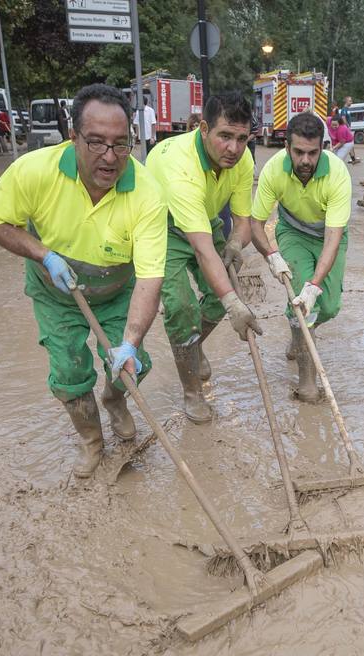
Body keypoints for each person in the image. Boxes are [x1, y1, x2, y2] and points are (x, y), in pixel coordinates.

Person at [0, 84, 166, 477]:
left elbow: (150, 280)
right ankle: (92, 441)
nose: (110, 158)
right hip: (56, 293)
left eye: (120, 144)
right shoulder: (34, 171)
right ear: (73, 137)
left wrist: (128, 344)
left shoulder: (146, 192)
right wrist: (43, 254)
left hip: (117, 290)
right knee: (69, 370)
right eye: (96, 143)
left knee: (135, 366)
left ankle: (115, 401)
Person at [144, 91, 260, 423]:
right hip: (161, 225)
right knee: (182, 307)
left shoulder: (243, 160)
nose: (233, 149)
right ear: (205, 129)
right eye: (225, 136)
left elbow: (241, 222)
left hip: (204, 219)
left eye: (241, 138)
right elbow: (202, 249)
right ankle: (192, 390)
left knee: (216, 295)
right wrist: (235, 305)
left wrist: (236, 244)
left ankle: (191, 348)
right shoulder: (180, 165)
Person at [249, 112, 352, 402]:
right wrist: (271, 255)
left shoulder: (337, 174)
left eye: (312, 153)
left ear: (323, 149)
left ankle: (298, 332)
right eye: (299, 152)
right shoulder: (272, 171)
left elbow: (333, 238)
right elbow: (255, 223)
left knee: (328, 305)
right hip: (292, 232)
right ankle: (306, 382)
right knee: (304, 309)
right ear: (286, 148)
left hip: (328, 236)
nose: (306, 161)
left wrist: (315, 285)